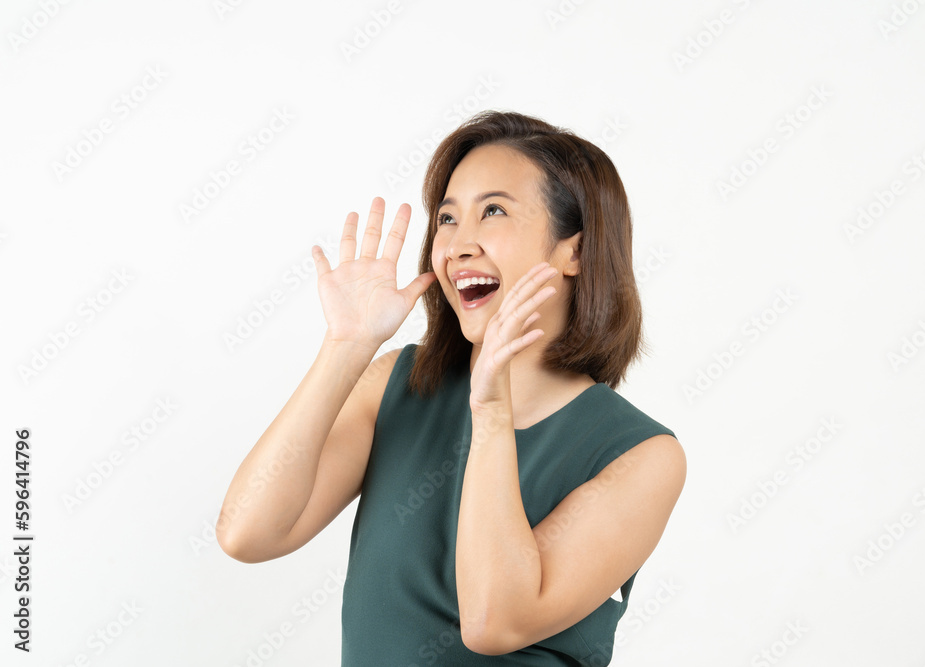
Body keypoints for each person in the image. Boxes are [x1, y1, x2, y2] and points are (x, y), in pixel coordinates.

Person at [216, 110, 686, 665]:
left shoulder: (642, 456)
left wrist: (490, 411)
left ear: (575, 252)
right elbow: (248, 534)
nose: (458, 245)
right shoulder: (399, 383)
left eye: (493, 211)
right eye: (446, 218)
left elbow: (493, 622)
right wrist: (346, 346)